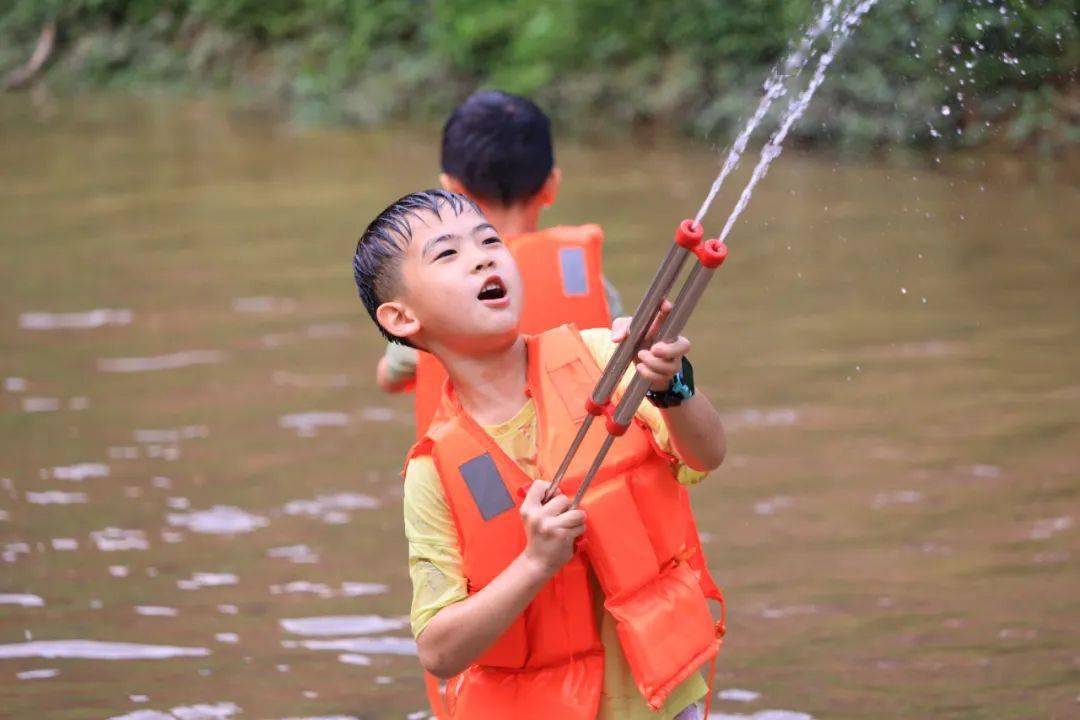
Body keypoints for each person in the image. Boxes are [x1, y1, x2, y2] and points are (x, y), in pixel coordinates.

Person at [351, 189, 727, 720]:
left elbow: (707, 454)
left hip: (659, 703)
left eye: (488, 241)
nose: (483, 255)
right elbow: (438, 650)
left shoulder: (600, 357)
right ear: (403, 319)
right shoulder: (434, 469)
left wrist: (673, 389)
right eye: (447, 254)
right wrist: (534, 563)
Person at [375, 90, 624, 436]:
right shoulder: (586, 280)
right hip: (578, 465)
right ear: (551, 185)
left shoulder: (433, 294)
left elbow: (389, 377)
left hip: (478, 474)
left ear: (451, 193)